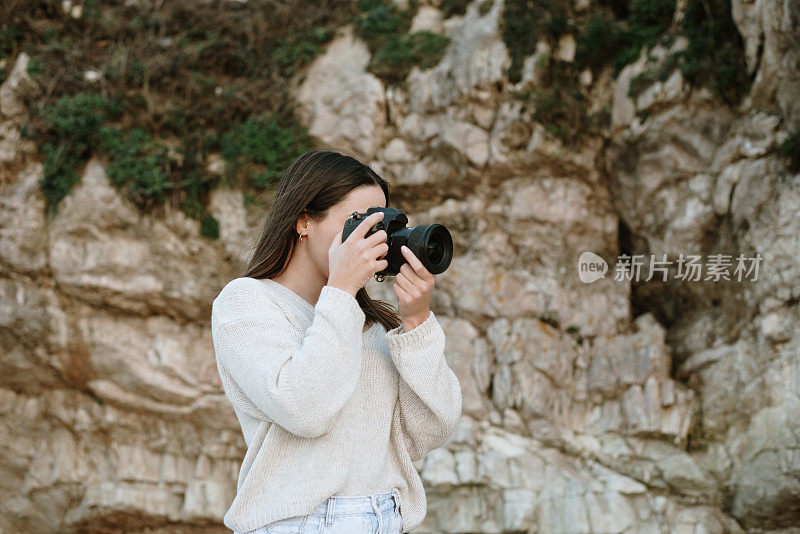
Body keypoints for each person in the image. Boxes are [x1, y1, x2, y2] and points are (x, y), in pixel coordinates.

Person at [210, 148, 463, 533]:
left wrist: (415, 321)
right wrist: (342, 290)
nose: (372, 240)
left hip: (387, 520)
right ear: (304, 221)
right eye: (358, 223)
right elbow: (305, 409)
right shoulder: (247, 303)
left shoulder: (370, 325)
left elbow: (429, 431)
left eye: (381, 227)